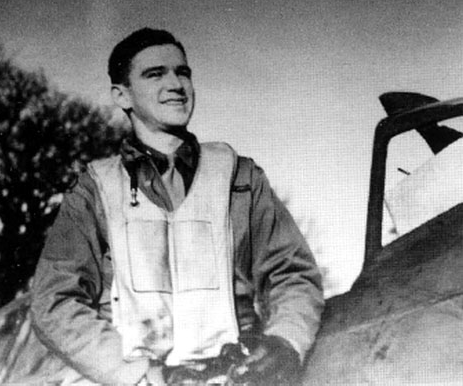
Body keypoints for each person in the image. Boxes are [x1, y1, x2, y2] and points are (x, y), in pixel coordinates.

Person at [31, 28, 324, 385]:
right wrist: (139, 374)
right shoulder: (94, 189)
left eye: (182, 72)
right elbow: (54, 302)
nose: (175, 85)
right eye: (155, 74)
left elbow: (291, 273)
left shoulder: (239, 176)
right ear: (122, 95)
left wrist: (285, 340)